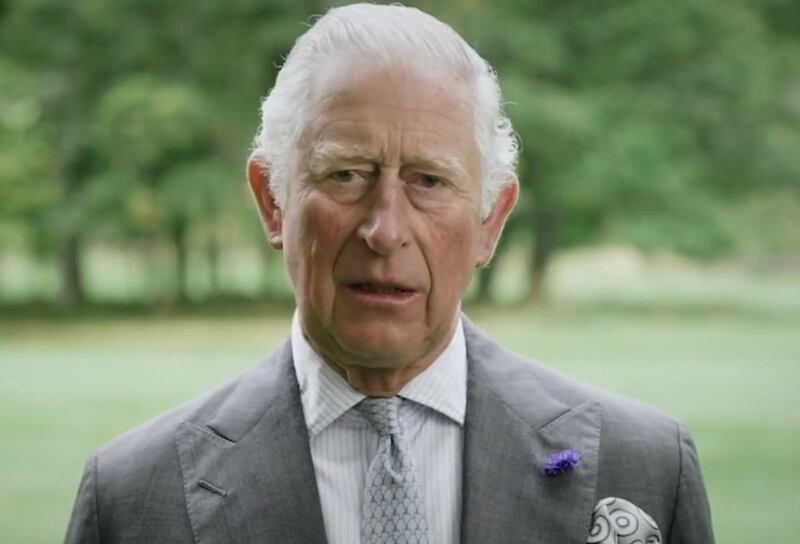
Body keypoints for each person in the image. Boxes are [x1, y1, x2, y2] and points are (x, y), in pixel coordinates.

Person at [65, 4, 714, 543]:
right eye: (346, 174)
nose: (385, 229)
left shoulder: (644, 468)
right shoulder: (133, 500)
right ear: (272, 201)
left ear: (491, 219)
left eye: (429, 181)